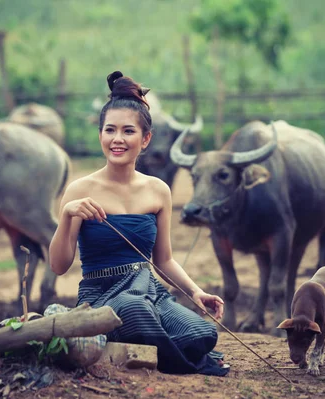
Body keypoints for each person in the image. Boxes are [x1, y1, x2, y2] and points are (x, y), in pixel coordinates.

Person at [49, 71, 229, 376]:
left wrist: (195, 292)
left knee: (204, 334)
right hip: (101, 297)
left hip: (148, 291)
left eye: (128, 131)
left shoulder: (159, 190)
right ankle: (180, 361)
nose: (117, 139)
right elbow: (58, 266)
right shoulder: (79, 190)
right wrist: (67, 214)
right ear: (100, 135)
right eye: (110, 130)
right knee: (135, 310)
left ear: (145, 139)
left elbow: (164, 260)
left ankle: (133, 349)